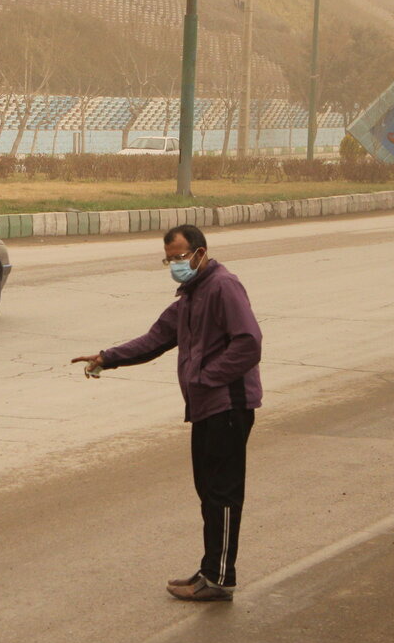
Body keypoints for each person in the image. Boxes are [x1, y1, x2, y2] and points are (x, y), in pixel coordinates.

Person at [71, 224, 262, 602]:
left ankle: (220, 578)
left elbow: (249, 343)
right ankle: (210, 570)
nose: (175, 265)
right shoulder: (191, 297)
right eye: (169, 259)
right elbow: (155, 339)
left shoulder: (223, 287)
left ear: (200, 253)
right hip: (206, 407)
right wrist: (108, 357)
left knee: (222, 494)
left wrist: (206, 377)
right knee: (208, 492)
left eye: (180, 257)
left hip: (229, 406)